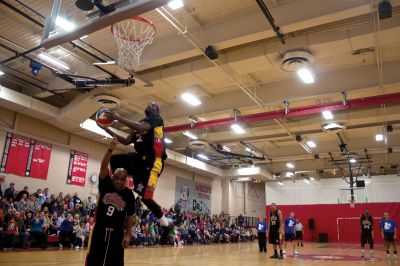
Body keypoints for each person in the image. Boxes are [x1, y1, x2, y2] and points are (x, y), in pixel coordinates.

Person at [100, 102, 172, 243]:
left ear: (156, 110)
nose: (149, 105)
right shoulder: (139, 123)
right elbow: (126, 141)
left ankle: (165, 223)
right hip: (139, 159)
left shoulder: (157, 119)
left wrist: (117, 117)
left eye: (153, 105)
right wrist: (106, 129)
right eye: (149, 104)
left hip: (153, 162)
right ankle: (116, 190)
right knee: (115, 160)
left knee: (145, 197)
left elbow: (142, 128)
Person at [86, 137, 135, 266]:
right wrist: (110, 149)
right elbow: (103, 166)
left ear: (126, 180)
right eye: (116, 178)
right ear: (112, 177)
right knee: (94, 261)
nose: (119, 181)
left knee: (115, 262)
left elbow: (130, 216)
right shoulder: (105, 185)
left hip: (117, 233)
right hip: (99, 230)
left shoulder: (129, 194)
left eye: (122, 179)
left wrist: (128, 234)